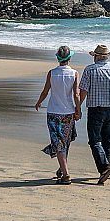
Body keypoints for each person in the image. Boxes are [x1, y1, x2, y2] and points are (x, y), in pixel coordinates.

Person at [78, 44, 110, 184]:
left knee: (95, 141)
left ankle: (105, 168)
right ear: (106, 57)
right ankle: (106, 167)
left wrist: (77, 107)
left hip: (96, 109)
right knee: (108, 140)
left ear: (95, 57)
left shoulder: (89, 70)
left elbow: (83, 91)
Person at [35, 45, 80, 185]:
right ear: (70, 57)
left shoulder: (52, 73)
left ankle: (65, 174)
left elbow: (45, 91)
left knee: (58, 142)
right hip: (68, 112)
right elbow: (76, 94)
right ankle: (62, 168)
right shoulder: (74, 73)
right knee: (64, 142)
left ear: (57, 58)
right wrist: (78, 110)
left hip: (54, 112)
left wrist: (38, 102)